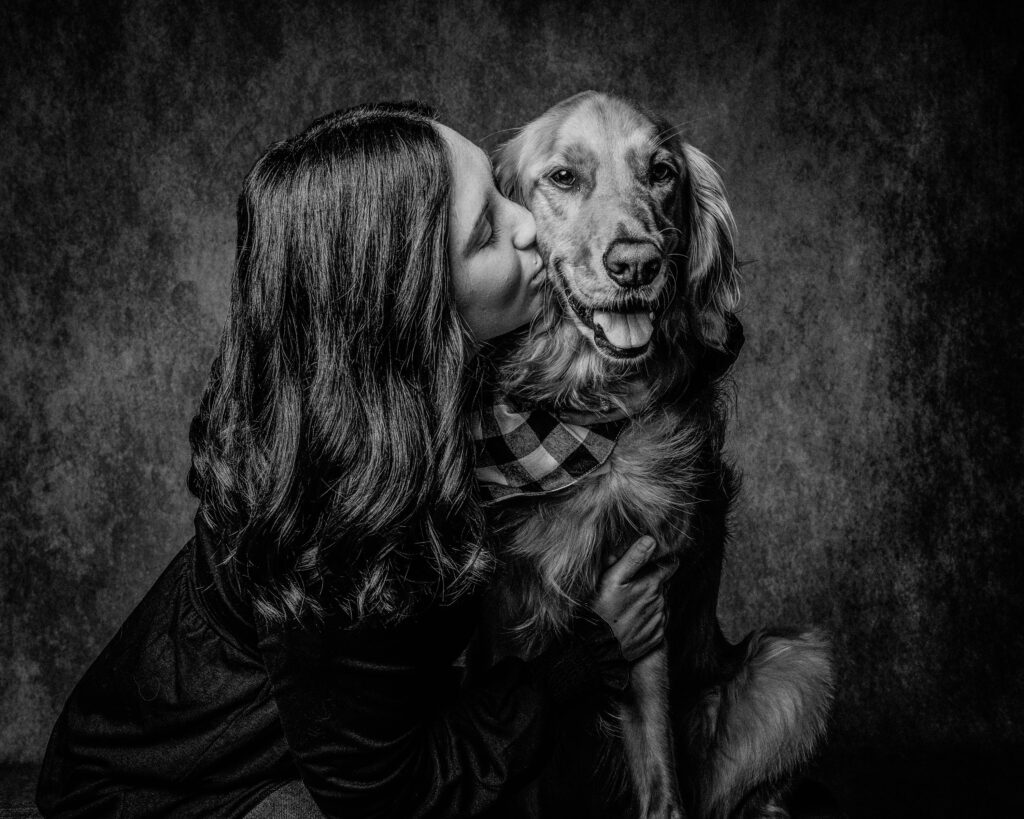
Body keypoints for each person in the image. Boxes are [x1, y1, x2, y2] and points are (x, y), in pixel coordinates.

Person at [36, 102, 673, 818]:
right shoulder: (345, 515)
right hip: (167, 792)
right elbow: (391, 794)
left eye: (505, 193)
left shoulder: (427, 408)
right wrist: (589, 653)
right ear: (412, 304)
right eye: (488, 230)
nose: (527, 220)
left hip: (317, 758)